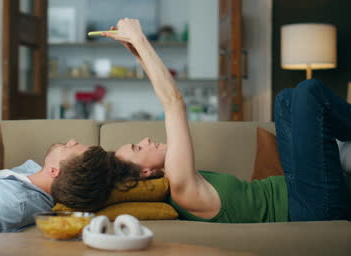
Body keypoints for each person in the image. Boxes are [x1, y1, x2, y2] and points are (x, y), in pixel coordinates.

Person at [56, 18, 350, 222]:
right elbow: (173, 103)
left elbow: (169, 101)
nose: (145, 140)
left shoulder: (177, 183)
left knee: (287, 99)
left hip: (299, 187)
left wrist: (134, 51)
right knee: (309, 93)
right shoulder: (182, 189)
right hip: (312, 205)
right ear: (145, 173)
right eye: (137, 147)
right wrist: (140, 37)